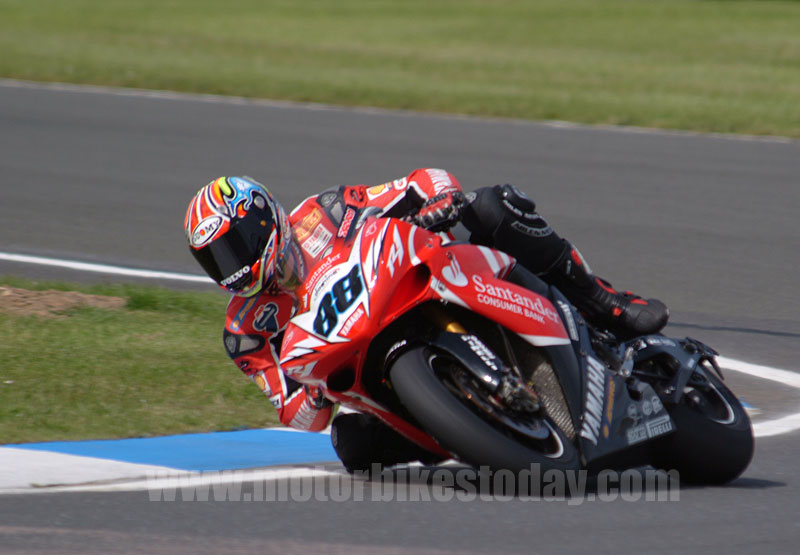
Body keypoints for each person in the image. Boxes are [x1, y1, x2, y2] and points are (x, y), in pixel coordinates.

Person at [184, 170, 668, 471]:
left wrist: (440, 202)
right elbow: (297, 415)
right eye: (216, 261)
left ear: (262, 219)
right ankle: (457, 427)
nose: (232, 267)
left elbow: (421, 182)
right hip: (369, 366)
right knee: (351, 445)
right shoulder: (246, 330)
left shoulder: (326, 210)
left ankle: (602, 300)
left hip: (423, 280)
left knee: (491, 205)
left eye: (234, 247)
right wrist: (312, 388)